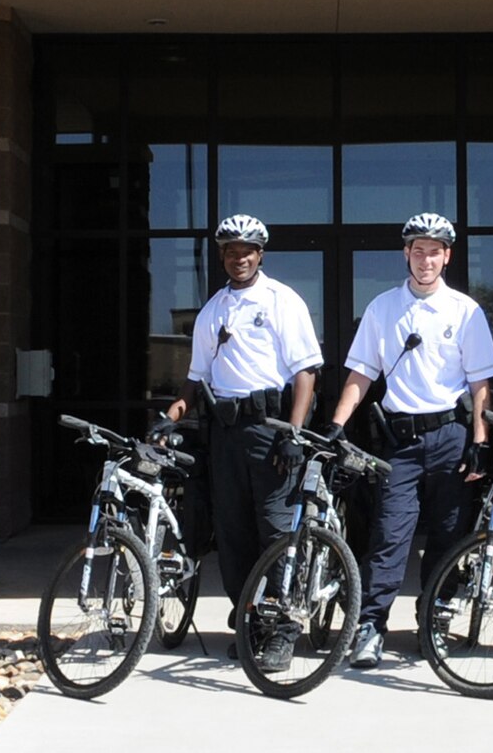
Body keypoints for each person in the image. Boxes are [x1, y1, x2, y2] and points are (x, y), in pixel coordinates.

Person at [327, 212, 493, 670]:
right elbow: (361, 373)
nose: (426, 260)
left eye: (434, 251)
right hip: (399, 441)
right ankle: (371, 626)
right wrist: (338, 425)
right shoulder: (383, 307)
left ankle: (433, 619)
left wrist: (481, 440)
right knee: (389, 535)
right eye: (418, 250)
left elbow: (481, 384)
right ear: (406, 254)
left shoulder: (466, 310)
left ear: (448, 256)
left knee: (448, 534)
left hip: (451, 436)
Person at [161, 214, 321, 656]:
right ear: (222, 256)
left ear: (260, 254)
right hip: (225, 435)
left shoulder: (282, 300)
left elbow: (306, 371)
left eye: (247, 251)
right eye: (231, 252)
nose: (240, 259)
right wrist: (171, 415)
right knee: (232, 535)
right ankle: (249, 622)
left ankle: (283, 628)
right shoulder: (213, 310)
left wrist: (294, 431)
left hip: (271, 432)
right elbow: (195, 380)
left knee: (275, 531)